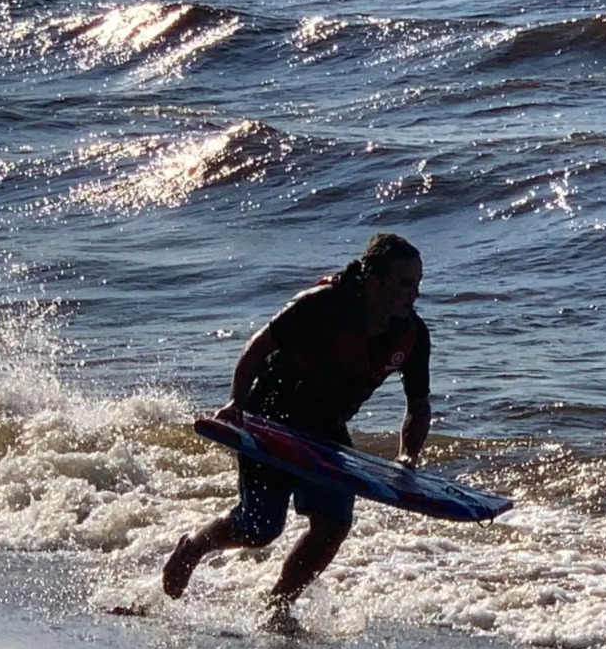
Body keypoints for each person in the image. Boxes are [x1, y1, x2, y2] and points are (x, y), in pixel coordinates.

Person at [163, 233, 430, 614]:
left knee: (333, 525)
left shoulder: (413, 335)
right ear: (375, 280)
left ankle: (278, 607)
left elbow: (418, 406)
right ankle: (193, 548)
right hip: (271, 418)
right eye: (405, 283)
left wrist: (408, 458)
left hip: (325, 431)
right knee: (259, 529)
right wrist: (237, 405)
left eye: (418, 284)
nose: (413, 294)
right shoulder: (323, 304)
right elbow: (257, 347)